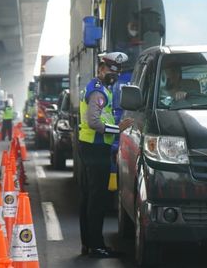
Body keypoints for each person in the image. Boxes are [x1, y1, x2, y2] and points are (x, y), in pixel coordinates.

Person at [78, 52, 133, 258]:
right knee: (97, 199)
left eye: (117, 71)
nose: (114, 74)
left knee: (89, 198)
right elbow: (94, 122)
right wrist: (117, 129)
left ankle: (88, 243)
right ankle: (96, 245)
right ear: (101, 69)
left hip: (89, 147)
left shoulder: (98, 88)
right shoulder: (99, 92)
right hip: (95, 148)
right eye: (111, 69)